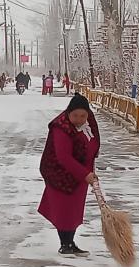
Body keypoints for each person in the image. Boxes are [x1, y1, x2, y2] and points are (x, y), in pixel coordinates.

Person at [37, 94, 100, 256]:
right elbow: (63, 157)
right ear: (68, 113)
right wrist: (85, 174)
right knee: (64, 210)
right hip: (60, 174)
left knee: (74, 210)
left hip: (80, 175)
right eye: (75, 116)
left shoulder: (88, 124)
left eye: (83, 116)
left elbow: (92, 145)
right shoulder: (61, 128)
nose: (79, 119)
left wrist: (89, 171)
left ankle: (69, 242)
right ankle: (65, 244)